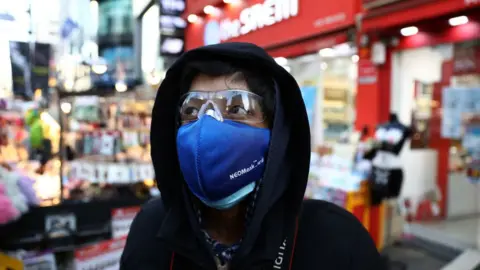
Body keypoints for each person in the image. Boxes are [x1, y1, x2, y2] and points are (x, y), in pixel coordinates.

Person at [121, 42, 384, 269]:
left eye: (237, 108)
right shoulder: (150, 231)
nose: (207, 128)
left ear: (277, 130)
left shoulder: (335, 242)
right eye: (191, 111)